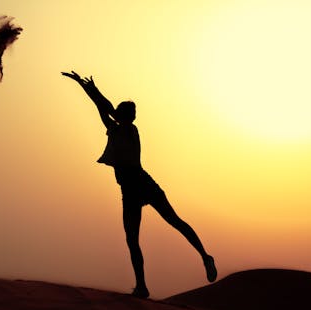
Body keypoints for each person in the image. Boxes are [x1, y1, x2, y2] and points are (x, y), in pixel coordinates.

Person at [62, 71, 217, 298]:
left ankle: (205, 256)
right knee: (133, 239)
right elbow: (104, 107)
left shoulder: (125, 129)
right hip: (131, 190)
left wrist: (88, 89)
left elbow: (104, 108)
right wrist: (89, 89)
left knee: (173, 221)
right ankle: (142, 286)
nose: (131, 114)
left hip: (142, 183)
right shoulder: (118, 127)